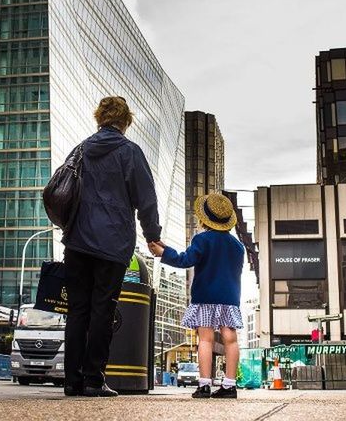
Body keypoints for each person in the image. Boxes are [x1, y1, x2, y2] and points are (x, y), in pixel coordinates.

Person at [61, 97, 162, 398]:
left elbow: (63, 187)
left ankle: (71, 380)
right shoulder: (130, 152)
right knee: (102, 309)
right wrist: (151, 234)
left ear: (99, 118)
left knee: (77, 310)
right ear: (125, 121)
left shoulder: (80, 149)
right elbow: (146, 198)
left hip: (77, 242)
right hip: (112, 242)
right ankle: (94, 379)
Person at [149, 192, 244, 399]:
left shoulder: (202, 239)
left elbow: (185, 260)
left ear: (204, 219)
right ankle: (229, 386)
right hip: (229, 299)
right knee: (231, 340)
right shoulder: (238, 246)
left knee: (206, 340)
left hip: (205, 297)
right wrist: (167, 249)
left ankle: (204, 385)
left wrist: (163, 253)